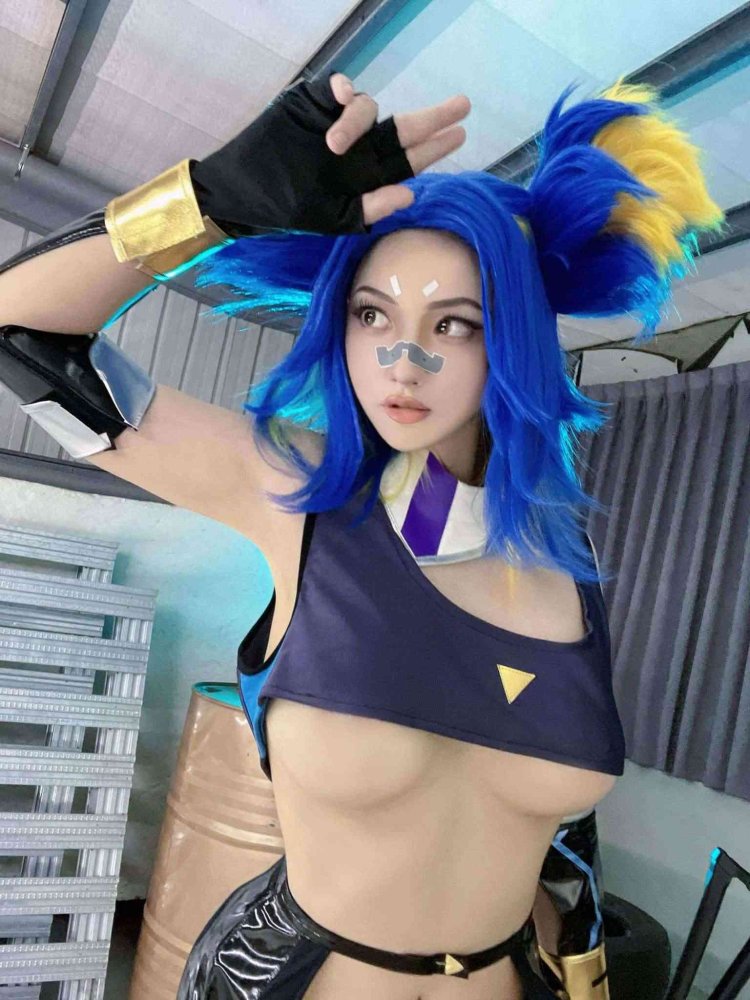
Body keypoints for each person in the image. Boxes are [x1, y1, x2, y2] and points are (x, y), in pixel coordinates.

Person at [0, 71, 722, 1000]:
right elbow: (19, 334)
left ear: (514, 344)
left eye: (453, 324)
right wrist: (208, 204)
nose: (402, 361)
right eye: (371, 314)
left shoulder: (564, 565)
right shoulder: (296, 493)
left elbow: (565, 851)